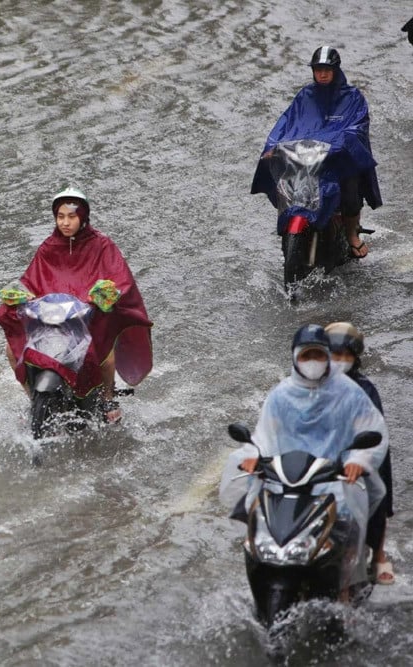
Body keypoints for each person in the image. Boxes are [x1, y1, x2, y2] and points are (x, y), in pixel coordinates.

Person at [220, 325, 388, 596]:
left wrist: (359, 458)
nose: (313, 362)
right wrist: (251, 456)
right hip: (288, 478)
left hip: (333, 478)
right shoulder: (280, 395)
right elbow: (263, 435)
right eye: (306, 355)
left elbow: (372, 429)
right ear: (295, 358)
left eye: (318, 355)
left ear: (327, 357)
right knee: (259, 522)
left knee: (348, 530)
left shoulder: (349, 393)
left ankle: (345, 589)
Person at [0, 187, 153, 423]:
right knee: (11, 350)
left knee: (105, 357)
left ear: (83, 217)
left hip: (90, 318)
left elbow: (121, 280)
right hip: (53, 317)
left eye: (71, 216)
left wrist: (105, 294)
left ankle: (108, 397)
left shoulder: (103, 246)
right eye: (60, 217)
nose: (65, 222)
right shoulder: (48, 247)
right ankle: (32, 400)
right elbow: (31, 281)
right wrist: (19, 295)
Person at [250, 47, 381, 258]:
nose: (322, 74)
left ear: (336, 70)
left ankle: (351, 235)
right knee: (287, 181)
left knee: (349, 186)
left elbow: (357, 128)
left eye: (327, 70)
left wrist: (340, 145)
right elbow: (285, 123)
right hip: (309, 157)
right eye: (318, 69)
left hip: (339, 159)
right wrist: (271, 147)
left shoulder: (353, 97)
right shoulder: (305, 96)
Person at [326, 321, 395, 585]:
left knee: (376, 498)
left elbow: (373, 428)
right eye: (335, 354)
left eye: (346, 355)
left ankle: (378, 555)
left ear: (355, 358)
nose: (340, 361)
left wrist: (359, 457)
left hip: (360, 455)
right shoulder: (311, 384)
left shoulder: (365, 389)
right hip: (324, 457)